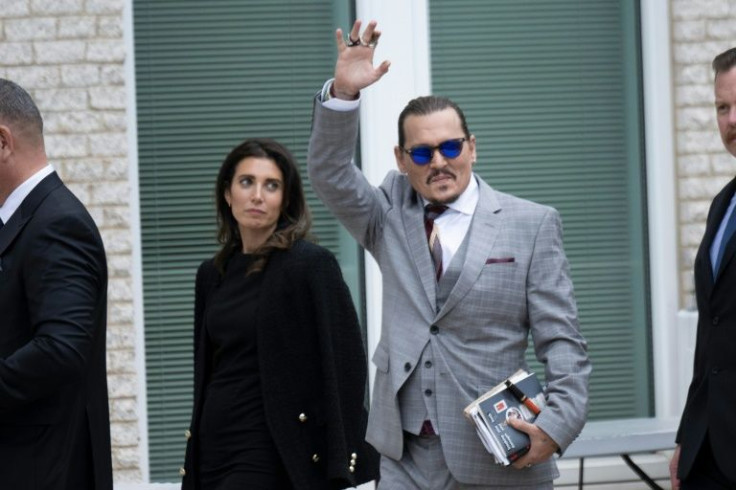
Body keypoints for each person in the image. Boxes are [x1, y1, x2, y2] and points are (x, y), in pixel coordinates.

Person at [307, 20, 591, 489]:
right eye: (421, 154)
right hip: (402, 454)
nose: (438, 162)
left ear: (472, 148)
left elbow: (562, 342)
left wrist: (556, 425)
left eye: (450, 147)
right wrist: (343, 94)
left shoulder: (531, 224)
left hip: (499, 452)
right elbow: (329, 172)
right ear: (401, 160)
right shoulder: (386, 214)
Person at [181, 138, 379, 489]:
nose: (258, 195)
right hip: (213, 448)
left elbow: (345, 364)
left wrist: (337, 461)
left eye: (271, 186)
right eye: (247, 182)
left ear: (285, 200)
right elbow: (208, 372)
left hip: (271, 451)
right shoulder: (212, 274)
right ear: (228, 194)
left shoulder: (309, 266)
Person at [0, 79, 112, 489]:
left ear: (2, 141)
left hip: (44, 469)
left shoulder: (57, 223)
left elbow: (61, 349)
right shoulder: (29, 220)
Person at [670, 47, 736, 490]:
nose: (730, 120)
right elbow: (710, 334)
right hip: (710, 451)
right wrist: (686, 438)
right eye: (722, 107)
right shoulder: (723, 205)